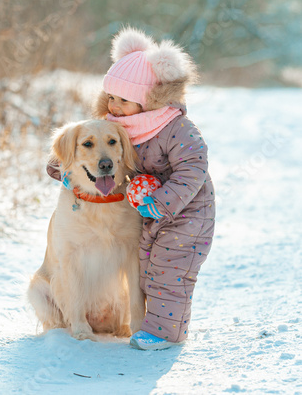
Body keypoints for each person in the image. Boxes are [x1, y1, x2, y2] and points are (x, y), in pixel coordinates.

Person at [48, 27, 215, 351]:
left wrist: (162, 202)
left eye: (124, 99)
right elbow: (76, 151)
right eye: (111, 96)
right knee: (148, 270)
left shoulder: (175, 127)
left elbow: (193, 169)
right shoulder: (120, 123)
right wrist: (60, 171)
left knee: (169, 271)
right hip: (151, 211)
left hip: (187, 214)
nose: (114, 104)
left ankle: (164, 333)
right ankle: (141, 323)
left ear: (148, 100)